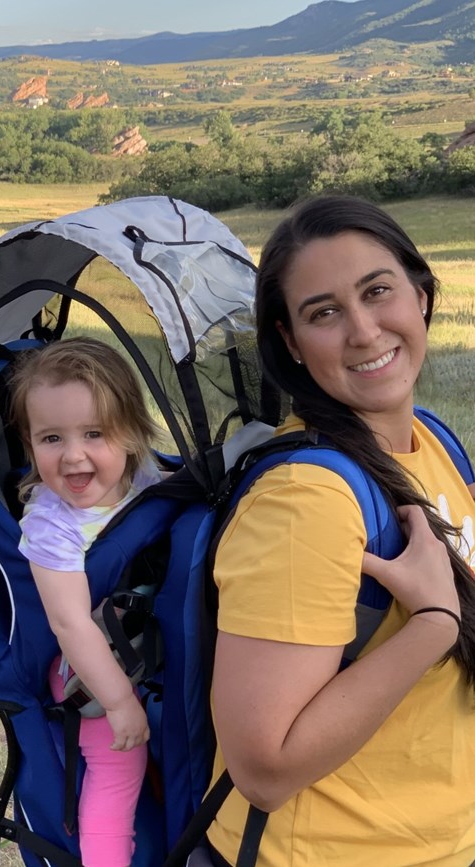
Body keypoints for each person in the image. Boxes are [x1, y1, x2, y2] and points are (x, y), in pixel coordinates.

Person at [207, 195, 475, 866]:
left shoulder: (429, 440)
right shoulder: (307, 501)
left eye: (377, 291)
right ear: (292, 344)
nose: (362, 329)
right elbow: (263, 767)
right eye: (323, 312)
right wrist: (433, 625)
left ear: (420, 293)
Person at [10, 336, 162, 867]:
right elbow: (69, 623)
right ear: (30, 446)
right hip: (87, 675)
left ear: (132, 433)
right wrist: (119, 702)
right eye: (52, 438)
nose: (73, 455)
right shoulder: (51, 524)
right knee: (119, 772)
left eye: (94, 433)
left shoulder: (142, 478)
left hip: (140, 642)